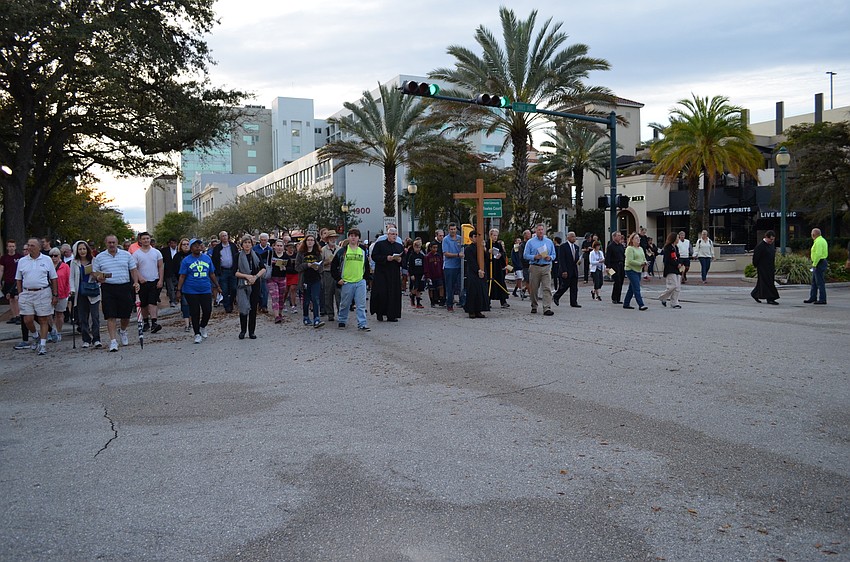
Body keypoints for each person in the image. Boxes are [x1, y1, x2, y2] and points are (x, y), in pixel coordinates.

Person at [92, 234, 140, 352]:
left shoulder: (126, 255)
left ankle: (123, 330)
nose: (112, 245)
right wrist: (99, 278)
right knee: (110, 315)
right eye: (109, 243)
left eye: (113, 242)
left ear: (117, 242)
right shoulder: (100, 257)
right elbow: (94, 273)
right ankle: (113, 341)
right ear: (106, 243)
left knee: (126, 314)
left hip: (124, 287)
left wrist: (136, 282)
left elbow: (133, 269)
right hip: (108, 288)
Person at [16, 238, 59, 355]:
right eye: (28, 245)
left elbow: (53, 278)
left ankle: (43, 344)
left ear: (39, 247)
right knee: (27, 319)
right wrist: (20, 294)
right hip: (26, 293)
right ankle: (35, 335)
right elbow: (18, 279)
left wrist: (55, 294)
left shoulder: (47, 260)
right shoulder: (22, 261)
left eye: (32, 245)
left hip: (43, 292)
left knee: (43, 319)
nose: (29, 248)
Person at [176, 239, 219, 344]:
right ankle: (197, 333)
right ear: (191, 248)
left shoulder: (207, 258)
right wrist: (179, 290)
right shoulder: (186, 260)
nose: (197, 247)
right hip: (191, 290)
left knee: (207, 310)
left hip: (205, 288)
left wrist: (217, 285)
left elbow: (212, 273)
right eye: (195, 246)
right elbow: (182, 276)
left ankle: (203, 326)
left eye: (199, 245)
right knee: (195, 312)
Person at [331, 228, 371, 331]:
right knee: (345, 303)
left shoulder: (362, 251)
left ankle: (362, 323)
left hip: (360, 281)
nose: (353, 238)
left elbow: (366, 266)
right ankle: (342, 320)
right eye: (351, 235)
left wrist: (365, 279)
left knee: (361, 304)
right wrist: (338, 279)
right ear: (348, 237)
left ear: (358, 238)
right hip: (347, 282)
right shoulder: (342, 251)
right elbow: (334, 266)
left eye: (355, 236)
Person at [69, 240, 102, 348]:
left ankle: (96, 338)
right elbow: (72, 278)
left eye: (84, 249)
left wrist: (95, 275)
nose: (82, 251)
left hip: (92, 290)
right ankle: (86, 339)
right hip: (80, 292)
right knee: (83, 317)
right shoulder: (74, 262)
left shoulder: (94, 260)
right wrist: (72, 290)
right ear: (76, 251)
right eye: (80, 249)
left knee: (95, 316)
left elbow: (99, 275)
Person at [236, 234, 267, 338]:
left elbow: (263, 268)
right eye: (245, 243)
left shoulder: (257, 255)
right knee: (243, 307)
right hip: (242, 284)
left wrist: (255, 277)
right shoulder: (237, 256)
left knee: (253, 308)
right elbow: (234, 272)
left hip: (255, 283)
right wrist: (247, 276)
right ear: (242, 244)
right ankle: (243, 330)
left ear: (252, 244)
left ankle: (251, 331)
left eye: (249, 242)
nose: (247, 245)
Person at [370, 227, 404, 322]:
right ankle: (379, 313)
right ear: (388, 235)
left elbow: (404, 260)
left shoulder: (399, 246)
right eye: (392, 234)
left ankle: (392, 315)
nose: (394, 236)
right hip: (382, 274)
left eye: (396, 234)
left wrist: (400, 260)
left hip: (394, 274)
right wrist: (386, 258)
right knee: (382, 293)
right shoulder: (380, 244)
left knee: (393, 294)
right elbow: (374, 256)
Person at [133, 232, 164, 333]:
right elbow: (134, 268)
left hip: (154, 280)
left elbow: (160, 266)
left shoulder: (156, 252)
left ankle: (154, 322)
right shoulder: (136, 254)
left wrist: (160, 279)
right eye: (144, 239)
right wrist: (139, 278)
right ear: (140, 241)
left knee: (152, 302)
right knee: (144, 304)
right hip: (142, 282)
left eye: (147, 238)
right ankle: (146, 322)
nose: (146, 240)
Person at [523, 224, 557, 316]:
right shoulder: (530, 242)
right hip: (535, 266)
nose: (540, 231)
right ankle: (534, 305)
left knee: (547, 288)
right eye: (539, 230)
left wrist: (550, 258)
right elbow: (525, 255)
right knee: (534, 288)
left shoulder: (549, 242)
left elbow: (554, 255)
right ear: (535, 231)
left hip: (546, 266)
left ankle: (547, 308)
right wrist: (534, 257)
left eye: (542, 230)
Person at [295, 234, 325, 328]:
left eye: (312, 240)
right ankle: (306, 317)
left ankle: (316, 318)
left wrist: (317, 267)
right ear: (305, 242)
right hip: (305, 279)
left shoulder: (318, 253)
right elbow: (297, 267)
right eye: (308, 240)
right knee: (306, 300)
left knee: (315, 298)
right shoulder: (301, 253)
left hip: (316, 278)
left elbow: (321, 267)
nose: (310, 242)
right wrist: (306, 265)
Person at [211, 231, 239, 313]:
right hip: (223, 271)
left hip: (233, 270)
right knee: (225, 289)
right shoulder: (217, 248)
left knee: (234, 288)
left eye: (225, 235)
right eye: (222, 236)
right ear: (220, 238)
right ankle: (227, 306)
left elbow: (237, 256)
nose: (224, 237)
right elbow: (215, 260)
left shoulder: (233, 246)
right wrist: (217, 271)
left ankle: (231, 302)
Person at [463, 231, 488, 318]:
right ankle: (471, 310)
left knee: (480, 291)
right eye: (474, 236)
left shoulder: (480, 247)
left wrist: (485, 249)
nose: (476, 238)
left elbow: (486, 258)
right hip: (473, 272)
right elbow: (471, 261)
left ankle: (479, 310)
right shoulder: (468, 249)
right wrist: (478, 270)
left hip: (482, 271)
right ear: (470, 238)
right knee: (473, 291)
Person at [554, 231, 582, 308]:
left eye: (575, 236)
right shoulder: (563, 247)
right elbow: (562, 259)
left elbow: (576, 258)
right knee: (565, 286)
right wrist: (564, 270)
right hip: (566, 269)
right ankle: (556, 296)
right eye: (572, 236)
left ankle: (574, 302)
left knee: (574, 287)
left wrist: (578, 261)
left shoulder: (576, 247)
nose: (574, 238)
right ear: (568, 237)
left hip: (574, 270)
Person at [47, 248, 70, 342]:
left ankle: (58, 332)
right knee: (48, 314)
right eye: (51, 256)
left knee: (59, 314)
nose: (53, 258)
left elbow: (68, 280)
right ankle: (50, 331)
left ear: (59, 256)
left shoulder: (65, 267)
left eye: (55, 255)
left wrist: (69, 291)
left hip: (62, 293)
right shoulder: (47, 266)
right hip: (48, 293)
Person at [750, 230, 779, 305]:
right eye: (770, 239)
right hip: (763, 267)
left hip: (770, 267)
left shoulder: (771, 245)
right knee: (767, 282)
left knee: (763, 283)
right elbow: (756, 257)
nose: (771, 241)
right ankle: (770, 298)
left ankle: (755, 293)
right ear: (766, 237)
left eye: (773, 239)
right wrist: (756, 265)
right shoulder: (761, 246)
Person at [441, 223, 464, 312]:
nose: (453, 231)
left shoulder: (460, 238)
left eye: (454, 229)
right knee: (450, 287)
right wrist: (457, 255)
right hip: (449, 267)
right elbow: (446, 253)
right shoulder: (446, 240)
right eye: (451, 229)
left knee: (460, 285)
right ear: (448, 230)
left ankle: (462, 302)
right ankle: (449, 304)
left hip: (459, 266)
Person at [623, 232, 648, 311]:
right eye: (636, 238)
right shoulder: (629, 248)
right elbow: (630, 261)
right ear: (632, 240)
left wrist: (645, 262)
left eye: (639, 238)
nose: (638, 240)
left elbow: (643, 258)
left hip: (638, 270)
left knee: (632, 288)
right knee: (636, 287)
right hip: (630, 270)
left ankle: (626, 303)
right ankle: (641, 304)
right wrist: (640, 263)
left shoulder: (640, 249)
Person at [1, 239, 23, 325]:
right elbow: (1, 270)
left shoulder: (19, 257)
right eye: (10, 246)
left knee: (17, 299)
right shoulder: (4, 258)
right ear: (7, 247)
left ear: (15, 247)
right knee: (11, 299)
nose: (11, 248)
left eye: (13, 246)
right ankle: (14, 316)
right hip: (8, 281)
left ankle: (19, 316)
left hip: (16, 281)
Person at [486, 228, 510, 308]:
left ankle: (503, 301)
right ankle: (487, 301)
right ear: (490, 235)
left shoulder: (498, 244)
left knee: (500, 282)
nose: (495, 237)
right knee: (489, 283)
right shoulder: (487, 244)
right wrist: (488, 252)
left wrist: (500, 255)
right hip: (490, 266)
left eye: (496, 235)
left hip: (498, 266)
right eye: (494, 235)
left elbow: (503, 253)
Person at [658, 232, 683, 309]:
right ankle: (662, 297)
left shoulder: (676, 248)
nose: (678, 239)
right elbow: (667, 260)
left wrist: (679, 263)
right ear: (674, 239)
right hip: (670, 269)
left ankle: (674, 302)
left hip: (677, 269)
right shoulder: (668, 248)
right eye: (677, 238)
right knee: (673, 285)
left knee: (678, 287)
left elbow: (677, 257)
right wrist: (676, 264)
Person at [320, 230, 341, 322]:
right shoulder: (323, 250)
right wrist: (327, 262)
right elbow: (319, 264)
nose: (333, 239)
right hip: (327, 273)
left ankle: (341, 313)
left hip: (338, 273)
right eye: (331, 238)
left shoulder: (340, 249)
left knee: (339, 294)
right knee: (328, 293)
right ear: (327, 239)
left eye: (334, 238)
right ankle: (330, 313)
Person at [804, 228, 828, 305]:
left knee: (820, 282)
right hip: (820, 262)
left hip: (819, 262)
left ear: (813, 234)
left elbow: (818, 254)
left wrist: (814, 264)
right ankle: (813, 297)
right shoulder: (822, 240)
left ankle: (822, 299)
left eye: (811, 234)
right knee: (814, 282)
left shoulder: (818, 242)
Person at [267, 239, 289, 323]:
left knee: (281, 296)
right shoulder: (270, 254)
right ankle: (276, 316)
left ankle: (280, 313)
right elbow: (260, 259)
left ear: (283, 247)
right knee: (275, 296)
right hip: (272, 278)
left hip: (282, 278)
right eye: (278, 246)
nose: (279, 248)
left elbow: (291, 268)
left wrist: (285, 268)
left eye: (281, 246)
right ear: (274, 246)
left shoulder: (286, 256)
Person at [252, 233, 272, 314]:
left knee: (265, 289)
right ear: (260, 240)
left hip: (265, 270)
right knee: (258, 289)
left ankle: (264, 305)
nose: (263, 242)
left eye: (265, 240)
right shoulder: (254, 248)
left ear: (267, 240)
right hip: (256, 270)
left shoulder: (270, 250)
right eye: (262, 240)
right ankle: (259, 304)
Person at [606, 232, 626, 304]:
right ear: (614, 237)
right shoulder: (610, 246)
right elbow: (607, 258)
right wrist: (607, 267)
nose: (620, 237)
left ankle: (618, 298)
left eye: (620, 235)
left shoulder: (621, 246)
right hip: (613, 266)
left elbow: (624, 256)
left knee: (621, 281)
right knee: (616, 281)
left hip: (621, 266)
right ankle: (614, 298)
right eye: (618, 235)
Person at [161, 237, 181, 307]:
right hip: (168, 271)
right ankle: (172, 300)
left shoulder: (179, 250)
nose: (173, 245)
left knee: (178, 286)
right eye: (172, 243)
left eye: (174, 243)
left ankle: (177, 298)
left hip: (178, 271)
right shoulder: (164, 251)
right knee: (170, 287)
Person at [406, 239, 426, 309]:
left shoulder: (422, 256)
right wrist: (411, 274)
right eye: (416, 247)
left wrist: (424, 273)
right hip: (414, 274)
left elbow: (424, 265)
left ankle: (418, 302)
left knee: (419, 289)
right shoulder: (411, 256)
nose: (418, 249)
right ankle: (412, 296)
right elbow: (410, 266)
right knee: (415, 287)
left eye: (419, 247)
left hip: (420, 274)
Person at [424, 240, 444, 308]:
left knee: (441, 287)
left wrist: (442, 273)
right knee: (431, 289)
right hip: (431, 275)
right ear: (430, 248)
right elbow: (426, 267)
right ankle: (432, 301)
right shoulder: (427, 256)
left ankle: (441, 300)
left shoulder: (438, 256)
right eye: (434, 247)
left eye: (436, 248)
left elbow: (441, 264)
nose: (435, 249)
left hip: (439, 274)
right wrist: (427, 276)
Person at [282, 242, 300, 313]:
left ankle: (293, 306)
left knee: (293, 289)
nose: (291, 249)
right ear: (286, 248)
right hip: (286, 274)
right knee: (286, 290)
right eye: (289, 247)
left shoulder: (296, 255)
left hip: (294, 274)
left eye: (292, 247)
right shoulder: (284, 255)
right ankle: (283, 303)